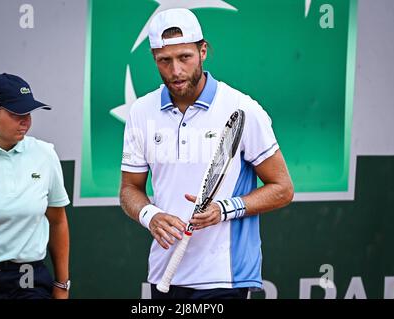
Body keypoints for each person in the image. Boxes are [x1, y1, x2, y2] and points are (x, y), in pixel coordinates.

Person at [119, 8, 294, 299]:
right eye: (165, 60)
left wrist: (224, 210)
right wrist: (150, 215)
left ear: (203, 51)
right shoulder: (141, 113)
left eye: (184, 57)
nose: (175, 71)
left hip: (225, 278)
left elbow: (283, 189)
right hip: (166, 274)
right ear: (154, 59)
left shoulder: (243, 109)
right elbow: (129, 190)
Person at [0, 73, 71, 299]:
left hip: (28, 279)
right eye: (17, 114)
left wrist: (62, 284)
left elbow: (58, 221)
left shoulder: (45, 154)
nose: (26, 120)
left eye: (28, 113)